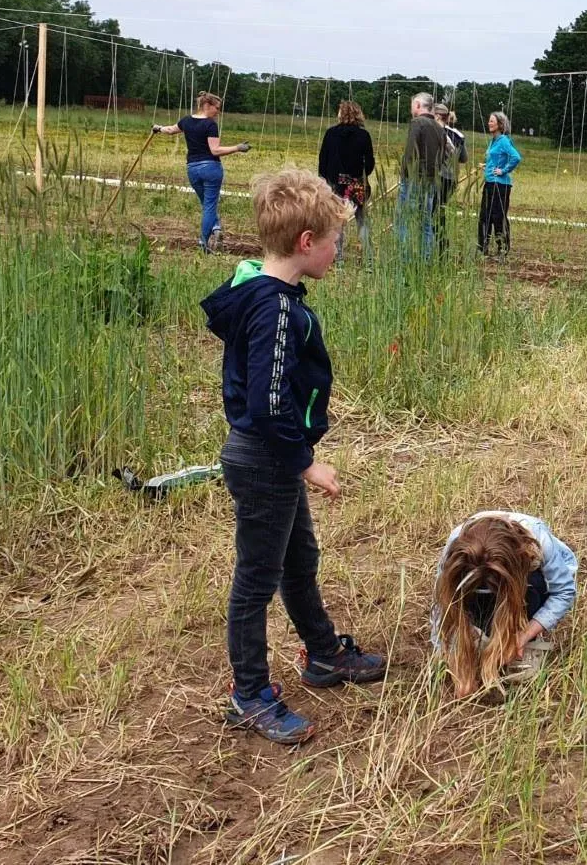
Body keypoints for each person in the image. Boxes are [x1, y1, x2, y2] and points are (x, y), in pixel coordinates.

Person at [199, 169, 386, 745]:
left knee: (298, 558)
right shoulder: (275, 309)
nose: (337, 251)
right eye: (334, 241)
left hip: (271, 455)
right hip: (266, 458)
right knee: (256, 579)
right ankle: (249, 695)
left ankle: (323, 653)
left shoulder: (261, 290)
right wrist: (305, 463)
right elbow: (268, 400)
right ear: (307, 242)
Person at [431, 511, 578, 699]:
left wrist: (523, 636)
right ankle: (484, 632)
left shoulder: (539, 539)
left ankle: (521, 634)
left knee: (534, 584)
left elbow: (564, 592)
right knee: (469, 598)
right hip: (496, 584)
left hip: (527, 584)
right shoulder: (457, 544)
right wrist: (451, 655)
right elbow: (442, 602)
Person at [154, 91, 250, 253]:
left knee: (206, 203)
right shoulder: (210, 125)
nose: (218, 112)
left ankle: (216, 227)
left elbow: (170, 130)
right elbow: (215, 150)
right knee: (210, 206)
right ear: (207, 105)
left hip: (192, 169)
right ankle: (203, 242)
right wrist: (238, 148)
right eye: (217, 108)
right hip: (211, 169)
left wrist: (158, 128)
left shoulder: (186, 121)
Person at [317, 100, 375, 262]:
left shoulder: (331, 134)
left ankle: (339, 259)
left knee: (337, 222)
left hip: (335, 184)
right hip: (356, 185)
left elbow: (323, 160)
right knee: (362, 220)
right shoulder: (364, 136)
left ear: (341, 114)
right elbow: (369, 163)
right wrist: (362, 176)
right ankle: (369, 259)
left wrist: (325, 179)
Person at [395, 92, 449, 260]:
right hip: (431, 181)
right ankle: (425, 259)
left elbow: (411, 152)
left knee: (403, 220)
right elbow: (444, 156)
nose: (411, 109)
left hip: (413, 180)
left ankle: (404, 259)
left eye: (412, 105)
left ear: (418, 105)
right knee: (426, 222)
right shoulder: (439, 128)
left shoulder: (417, 123)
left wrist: (405, 174)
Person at [479, 111, 521, 256]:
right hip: (490, 183)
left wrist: (503, 170)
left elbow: (516, 157)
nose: (489, 123)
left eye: (492, 121)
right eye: (489, 121)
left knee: (498, 217)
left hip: (500, 185)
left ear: (500, 124)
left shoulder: (503, 140)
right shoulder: (493, 140)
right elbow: (496, 158)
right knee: (484, 216)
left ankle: (502, 248)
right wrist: (487, 166)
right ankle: (482, 248)